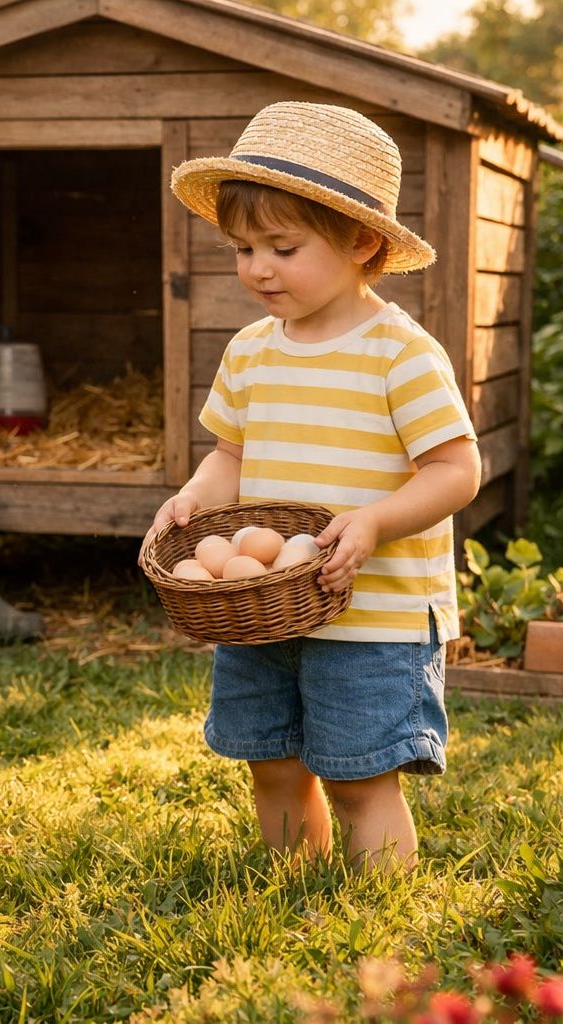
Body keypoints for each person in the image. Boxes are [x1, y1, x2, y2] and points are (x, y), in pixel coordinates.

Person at [152, 101, 482, 872]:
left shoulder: (400, 353)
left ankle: (374, 913)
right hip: (266, 608)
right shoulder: (251, 350)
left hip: (376, 615)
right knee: (271, 759)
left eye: (283, 247)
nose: (258, 268)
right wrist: (197, 496)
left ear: (361, 241)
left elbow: (457, 470)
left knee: (361, 774)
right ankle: (293, 890)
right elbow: (230, 451)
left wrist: (372, 521)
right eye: (243, 249)